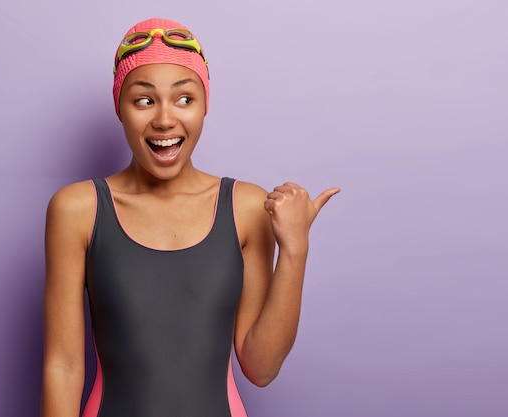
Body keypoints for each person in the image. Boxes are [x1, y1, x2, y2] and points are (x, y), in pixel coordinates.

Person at [40, 17, 339, 417]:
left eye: (184, 99)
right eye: (144, 100)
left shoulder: (246, 207)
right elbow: (63, 366)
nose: (165, 119)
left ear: (204, 105)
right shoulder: (77, 210)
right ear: (120, 108)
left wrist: (295, 249)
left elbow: (260, 366)